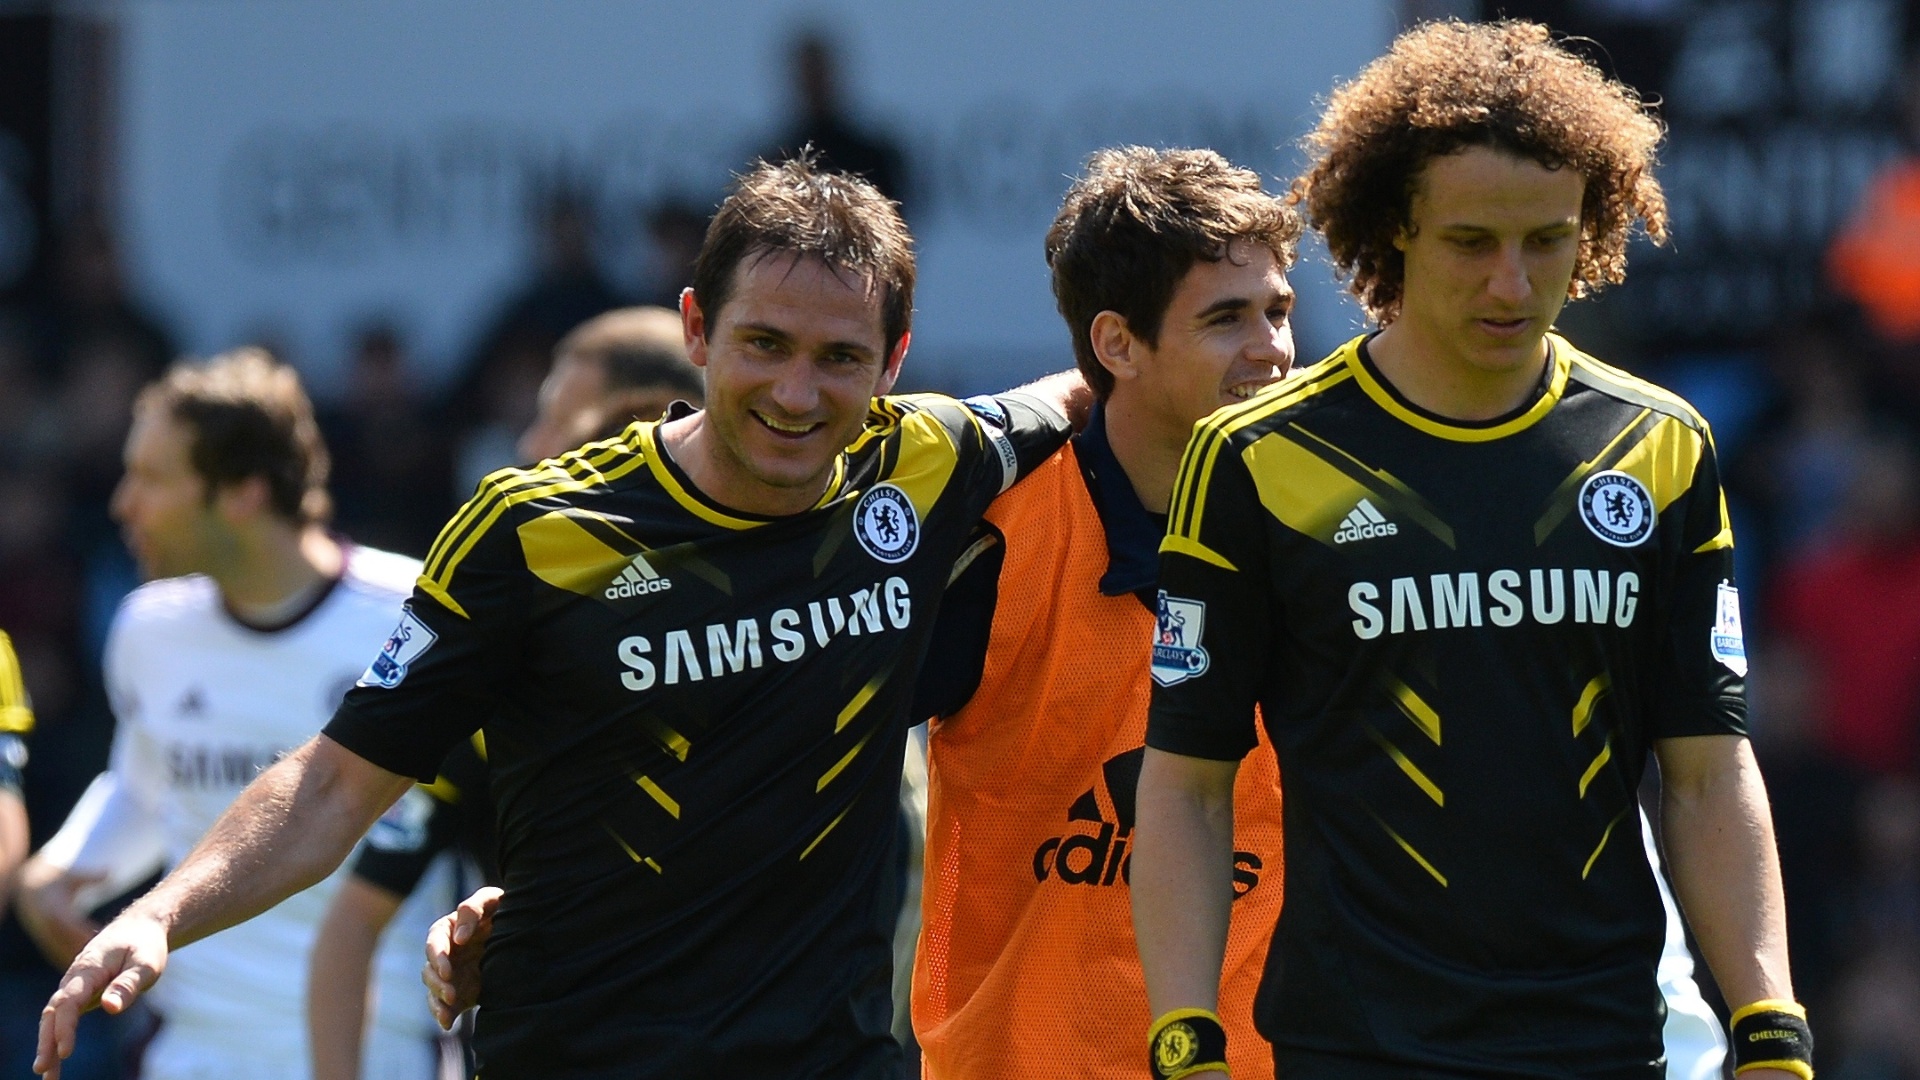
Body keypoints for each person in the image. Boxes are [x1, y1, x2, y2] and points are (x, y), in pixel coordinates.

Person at [35, 155, 1084, 1080]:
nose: (799, 392)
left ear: (894, 362)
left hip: (831, 1059)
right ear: (696, 330)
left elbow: (1106, 388)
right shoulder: (531, 531)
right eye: (764, 344)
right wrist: (162, 913)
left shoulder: (927, 459)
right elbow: (338, 778)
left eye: (840, 358)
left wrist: (1243, 349)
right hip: (577, 1053)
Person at [1131, 21, 1809, 1080]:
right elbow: (1186, 787)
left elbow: (1706, 771)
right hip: (1354, 1047)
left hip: (1607, 1042)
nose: (1511, 282)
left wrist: (1768, 1014)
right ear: (1394, 228)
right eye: (1471, 243)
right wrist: (1185, 1036)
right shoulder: (1257, 457)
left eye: (1545, 240)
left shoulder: (1661, 446)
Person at [906, 146, 1293, 1079]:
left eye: (1279, 310)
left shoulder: (1337, 526)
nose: (1274, 350)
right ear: (1117, 343)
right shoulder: (995, 535)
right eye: (1226, 319)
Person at [15, 349, 445, 1080]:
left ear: (244, 492)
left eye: (151, 478)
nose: (124, 503)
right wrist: (57, 871)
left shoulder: (411, 613)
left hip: (373, 1055)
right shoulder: (146, 628)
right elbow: (147, 791)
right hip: (191, 1054)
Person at [306, 305, 704, 1080]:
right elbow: (350, 917)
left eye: (554, 418)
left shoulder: (807, 625)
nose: (529, 448)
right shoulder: (500, 680)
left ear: (652, 427)